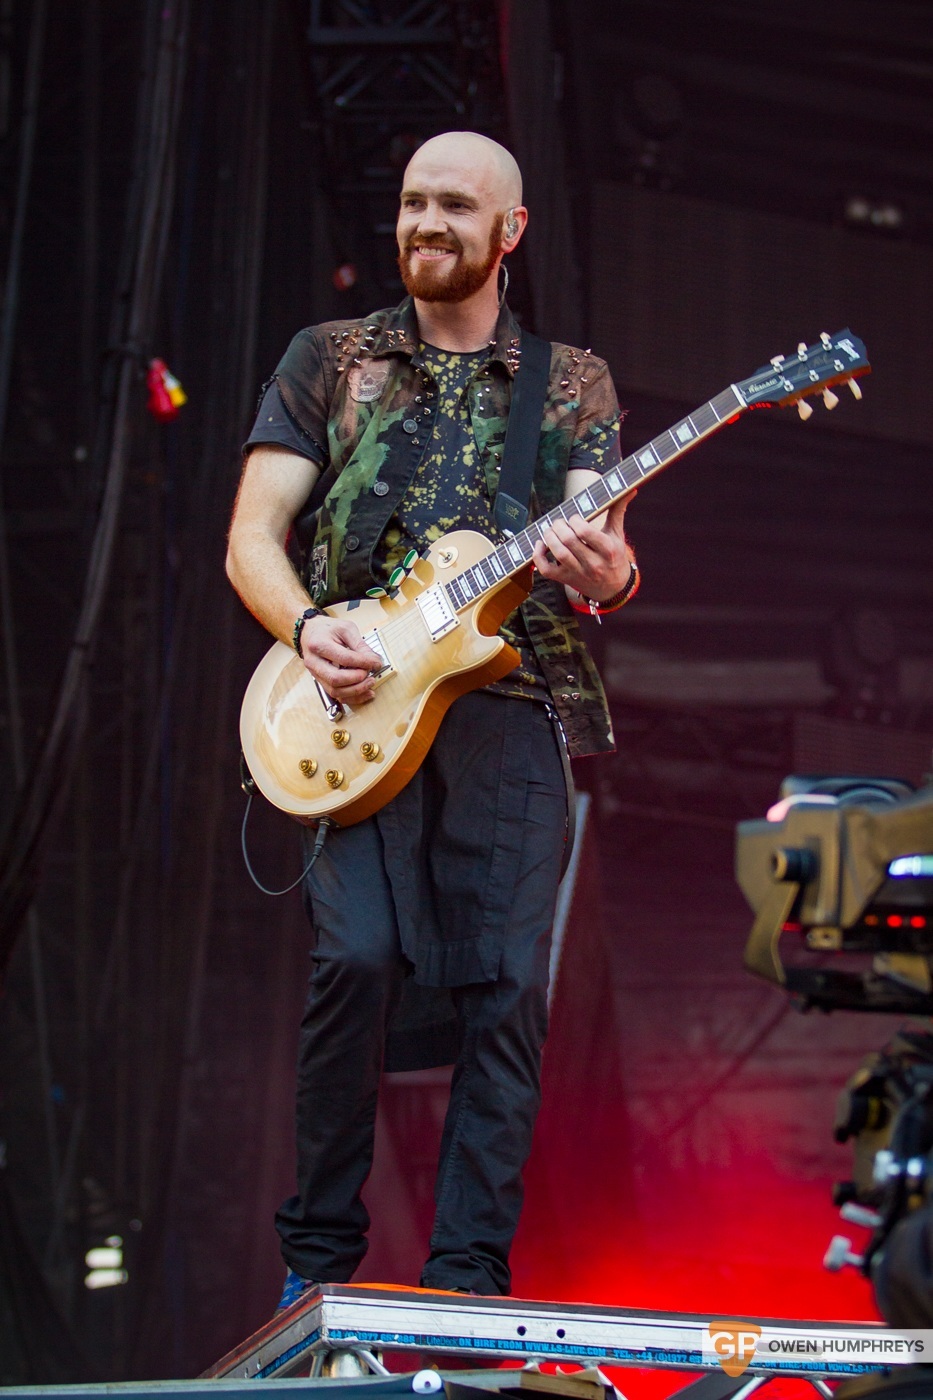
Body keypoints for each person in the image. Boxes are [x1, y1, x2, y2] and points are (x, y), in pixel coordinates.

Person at [225, 130, 638, 1306]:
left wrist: (599, 565)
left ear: (508, 233)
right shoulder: (330, 357)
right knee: (353, 958)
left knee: (508, 985)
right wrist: (309, 628)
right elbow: (253, 535)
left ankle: (464, 1279)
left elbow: (605, 566)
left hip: (510, 704)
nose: (424, 225)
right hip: (354, 700)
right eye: (412, 203)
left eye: (455, 207)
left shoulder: (570, 383)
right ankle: (316, 1269)